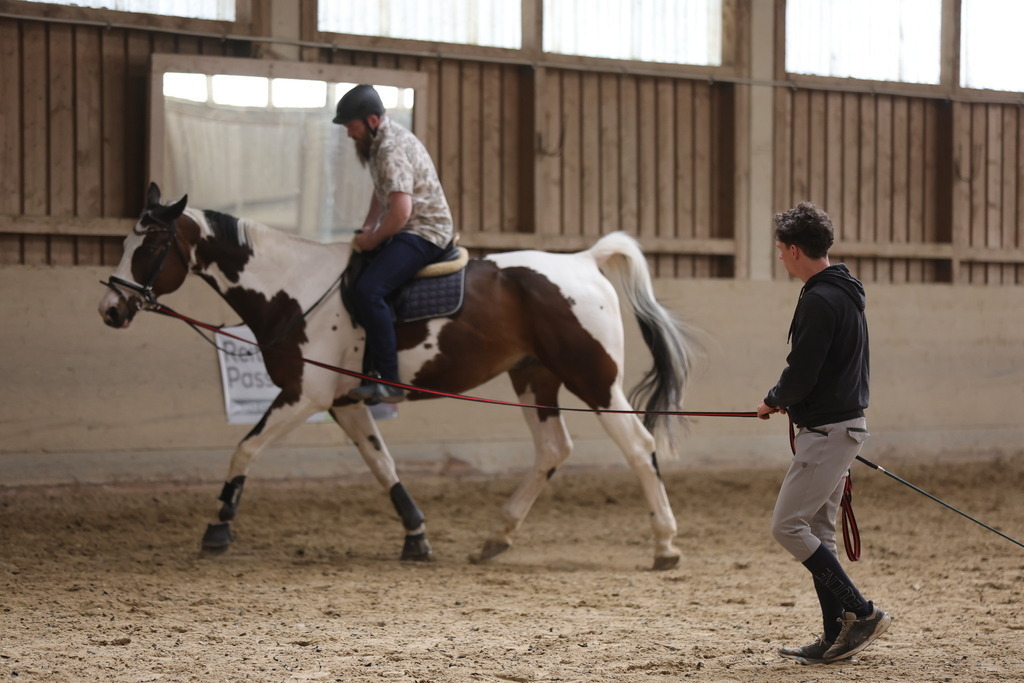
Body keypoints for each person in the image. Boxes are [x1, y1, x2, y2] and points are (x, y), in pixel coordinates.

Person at [756, 202, 891, 665]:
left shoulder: (820, 297)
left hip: (830, 430)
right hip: (840, 427)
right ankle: (837, 636)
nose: (779, 257)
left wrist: (775, 399)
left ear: (794, 250)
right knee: (817, 530)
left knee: (787, 526)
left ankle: (862, 612)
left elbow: (803, 371)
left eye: (779, 249)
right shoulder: (843, 290)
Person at [333, 84, 455, 404]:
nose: (349, 134)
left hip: (424, 231)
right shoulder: (378, 145)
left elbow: (401, 211)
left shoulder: (390, 149)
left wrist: (374, 238)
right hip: (406, 227)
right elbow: (383, 191)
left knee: (369, 290)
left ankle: (390, 381)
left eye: (352, 127)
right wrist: (369, 226)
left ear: (372, 120)